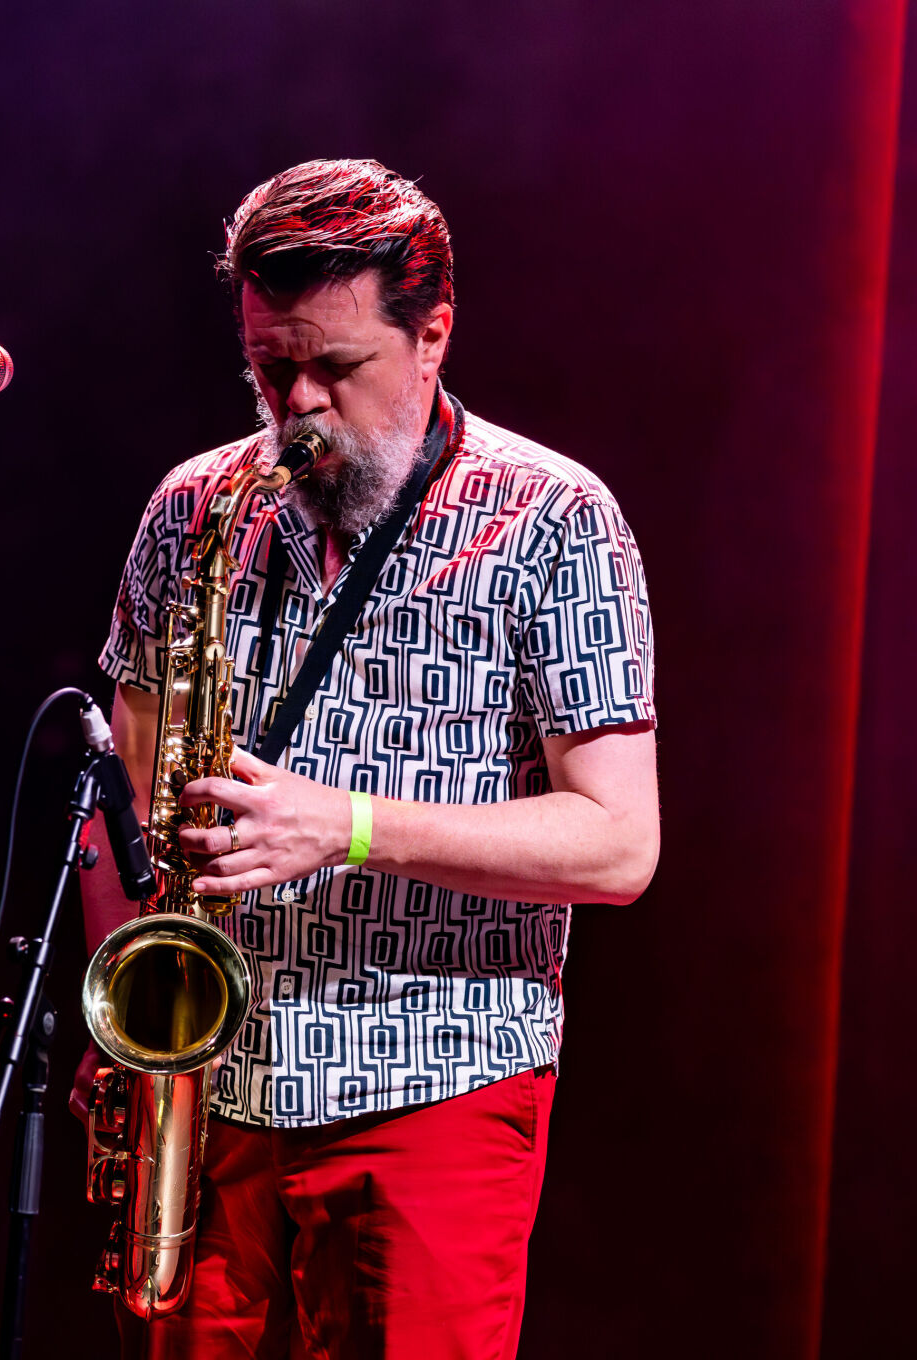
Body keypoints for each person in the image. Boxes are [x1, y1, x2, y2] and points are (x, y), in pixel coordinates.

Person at [78, 158, 659, 1360]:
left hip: (433, 1086)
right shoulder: (192, 509)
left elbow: (616, 843)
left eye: (336, 367)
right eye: (268, 366)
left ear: (432, 334)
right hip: (209, 1088)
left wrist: (345, 826)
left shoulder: (556, 520)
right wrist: (128, 1028)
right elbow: (120, 803)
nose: (297, 405)